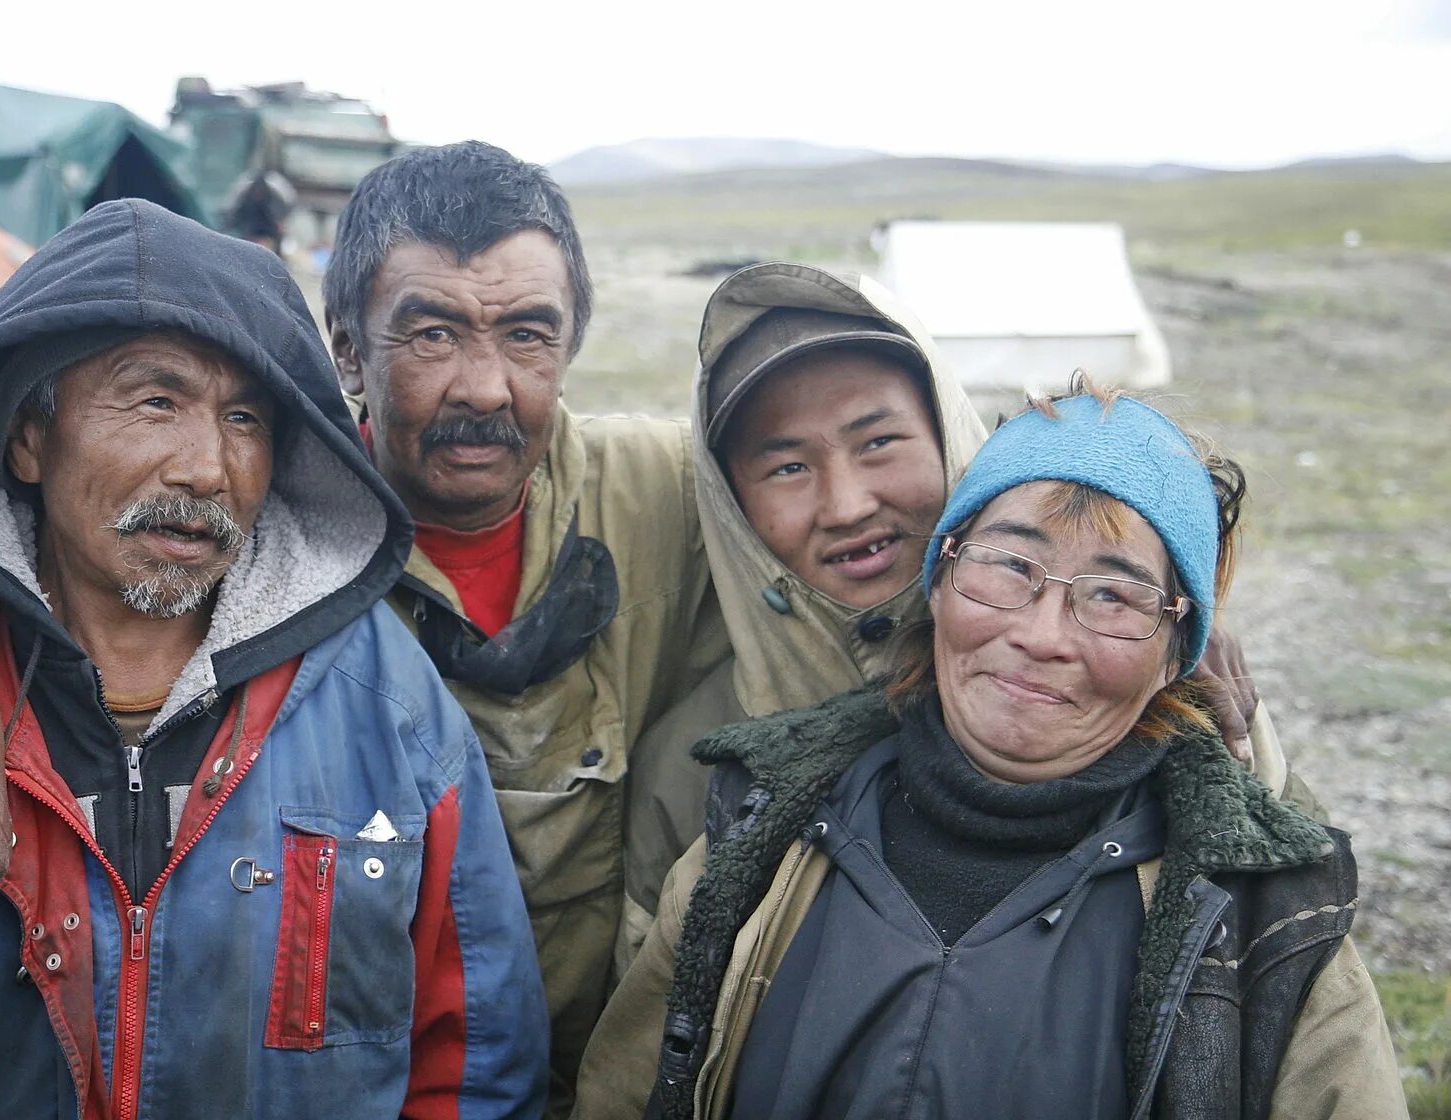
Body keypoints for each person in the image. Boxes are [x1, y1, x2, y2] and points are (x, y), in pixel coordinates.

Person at [0, 143, 723, 1115]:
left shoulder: (650, 504)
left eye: (530, 335)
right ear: (344, 350)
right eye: (431, 332)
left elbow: (472, 1052)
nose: (485, 388)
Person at [578, 384, 1404, 1119]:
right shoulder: (759, 832)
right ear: (937, 579)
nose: (1040, 636)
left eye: (1114, 596)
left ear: (1173, 654)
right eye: (1009, 566)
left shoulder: (1270, 919)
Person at [615, 263, 1308, 976]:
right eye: (786, 467)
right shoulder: (695, 765)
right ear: (732, 506)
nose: (848, 504)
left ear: (948, 431)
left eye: (879, 441)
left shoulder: (1187, 699)